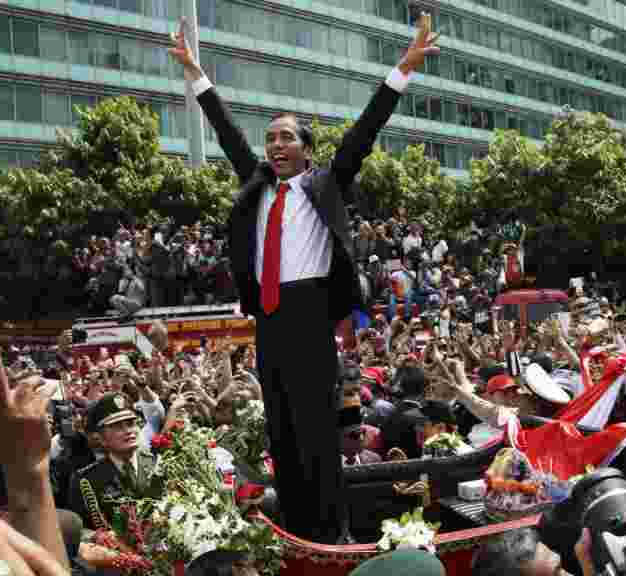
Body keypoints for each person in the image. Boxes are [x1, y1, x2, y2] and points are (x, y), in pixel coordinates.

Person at [169, 13, 439, 543]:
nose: (274, 145)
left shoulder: (327, 184)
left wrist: (403, 69)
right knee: (282, 429)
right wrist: (195, 73)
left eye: (286, 138)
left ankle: (330, 532)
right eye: (269, 138)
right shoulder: (257, 186)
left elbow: (365, 131)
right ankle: (294, 526)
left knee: (317, 431)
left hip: (313, 310)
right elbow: (225, 130)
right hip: (269, 314)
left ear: (307, 149)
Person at [67, 393, 161, 533]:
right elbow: (83, 531)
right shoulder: (86, 481)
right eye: (117, 426)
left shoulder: (157, 464)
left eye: (130, 423)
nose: (128, 431)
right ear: (101, 438)